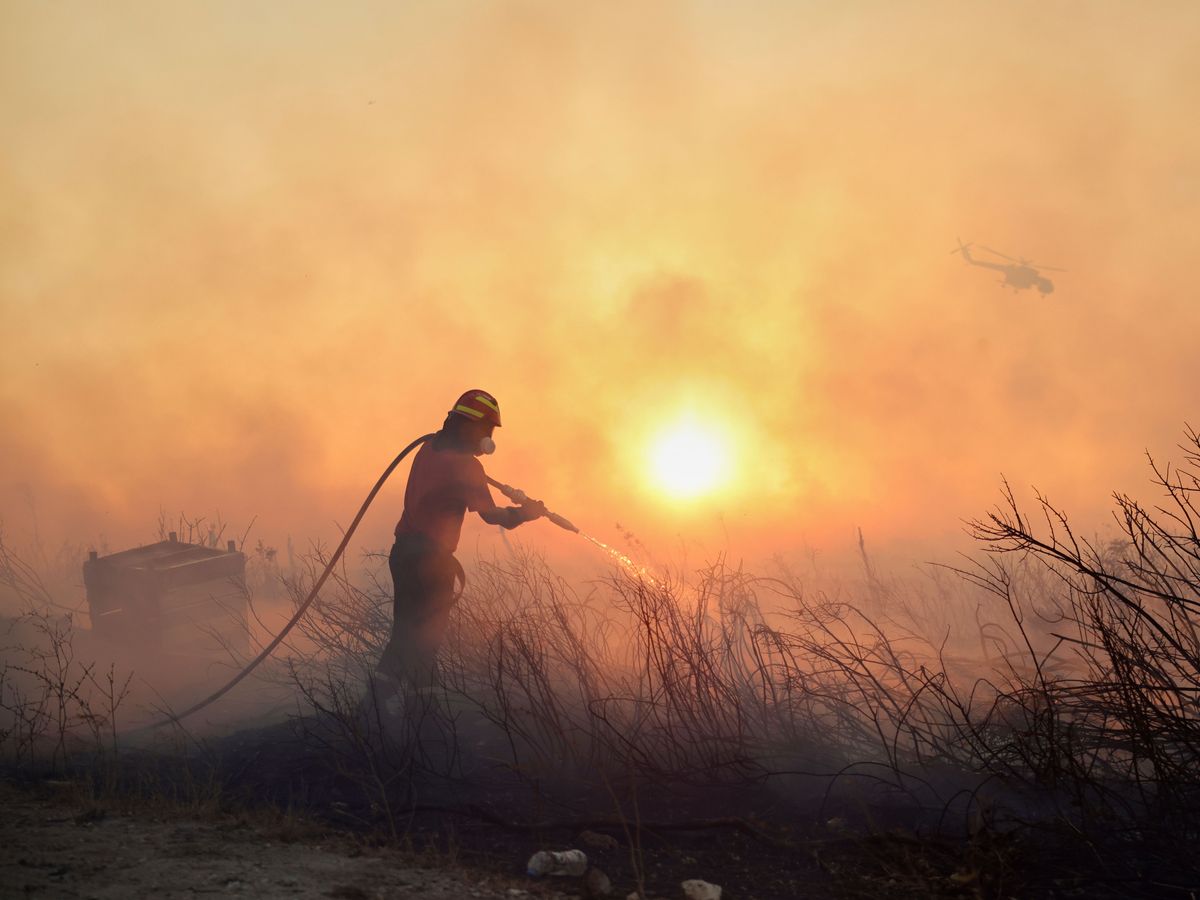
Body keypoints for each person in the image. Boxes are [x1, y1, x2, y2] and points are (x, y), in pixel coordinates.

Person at [375, 389, 545, 694]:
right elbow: (493, 517)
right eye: (487, 429)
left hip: (402, 554)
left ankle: (376, 704)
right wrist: (526, 513)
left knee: (404, 633)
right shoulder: (466, 467)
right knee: (426, 639)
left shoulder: (427, 448)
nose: (490, 437)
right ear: (469, 427)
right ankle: (423, 712)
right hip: (430, 563)